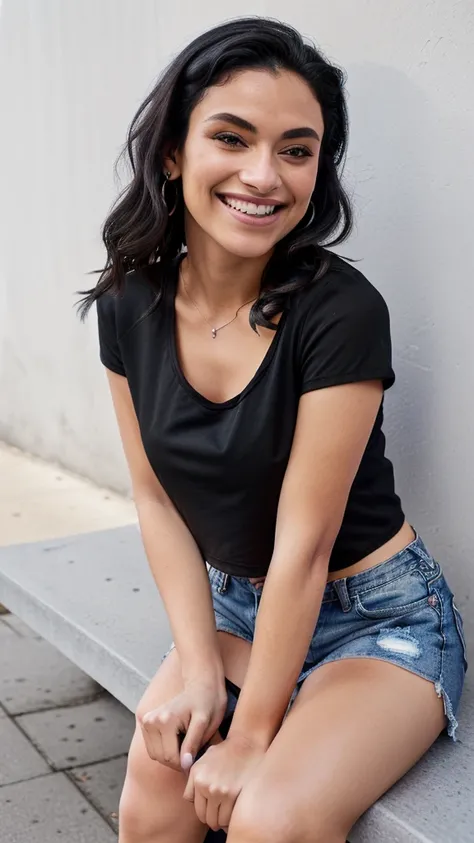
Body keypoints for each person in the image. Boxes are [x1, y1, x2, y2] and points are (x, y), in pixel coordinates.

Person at [78, 16, 467, 843]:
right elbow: (156, 500)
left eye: (296, 150)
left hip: (375, 622)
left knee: (271, 819)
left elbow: (305, 548)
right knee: (155, 794)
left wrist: (250, 737)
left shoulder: (341, 313)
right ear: (175, 150)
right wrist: (194, 666)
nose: (264, 175)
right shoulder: (128, 307)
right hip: (233, 613)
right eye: (232, 137)